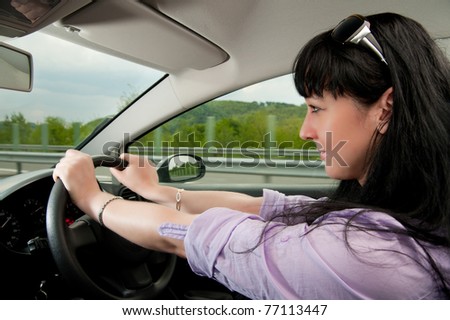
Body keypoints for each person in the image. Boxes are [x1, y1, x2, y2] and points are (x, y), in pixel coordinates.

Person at [53, 12, 450, 299]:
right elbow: (260, 208)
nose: (304, 131)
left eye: (316, 107)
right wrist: (156, 190)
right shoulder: (395, 214)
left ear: (386, 108)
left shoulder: (372, 256)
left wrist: (94, 200)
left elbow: (190, 237)